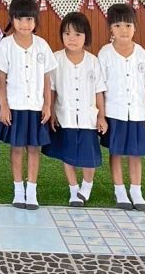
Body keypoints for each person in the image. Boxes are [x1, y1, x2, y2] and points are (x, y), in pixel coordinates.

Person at [0, 0, 55, 210]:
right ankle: (18, 190)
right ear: (12, 19)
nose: (24, 24)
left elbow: (47, 78)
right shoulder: (6, 45)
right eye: (20, 19)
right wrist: (3, 105)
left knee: (33, 148)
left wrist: (47, 105)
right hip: (15, 106)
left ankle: (32, 191)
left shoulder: (42, 45)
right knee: (17, 148)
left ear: (35, 21)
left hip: (36, 107)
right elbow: (1, 78)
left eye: (29, 19)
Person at [46, 12, 106, 207]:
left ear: (86, 36)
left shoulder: (93, 61)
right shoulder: (55, 59)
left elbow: (98, 91)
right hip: (66, 116)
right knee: (68, 154)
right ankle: (73, 189)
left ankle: (86, 186)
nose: (72, 38)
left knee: (89, 156)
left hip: (89, 118)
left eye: (77, 34)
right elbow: (51, 89)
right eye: (67, 33)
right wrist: (51, 112)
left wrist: (101, 116)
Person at [98, 3, 145, 211]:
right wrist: (102, 115)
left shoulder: (141, 53)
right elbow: (100, 88)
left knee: (135, 154)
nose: (123, 30)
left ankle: (136, 191)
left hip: (137, 113)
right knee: (116, 152)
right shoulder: (105, 53)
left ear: (135, 28)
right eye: (118, 25)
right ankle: (119, 190)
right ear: (110, 28)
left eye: (128, 25)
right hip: (115, 112)